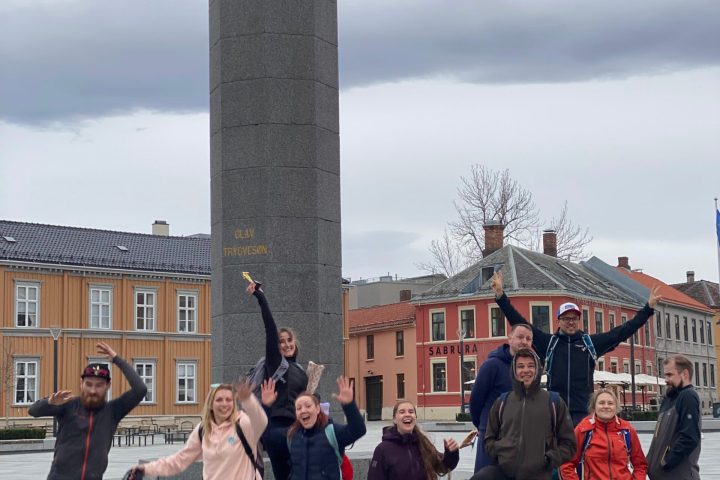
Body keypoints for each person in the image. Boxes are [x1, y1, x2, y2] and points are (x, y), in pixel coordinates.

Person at [491, 270, 661, 425]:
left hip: (583, 411)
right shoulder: (549, 343)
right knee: (558, 454)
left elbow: (622, 332)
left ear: (579, 321)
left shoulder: (590, 344)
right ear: (559, 321)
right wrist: (500, 296)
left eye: (574, 318)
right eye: (566, 318)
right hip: (555, 409)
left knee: (582, 453)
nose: (571, 322)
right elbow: (519, 322)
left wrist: (648, 309)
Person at [28, 342, 147, 480]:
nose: (93, 390)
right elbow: (33, 411)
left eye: (99, 385)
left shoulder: (113, 411)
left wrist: (116, 359)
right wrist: (48, 402)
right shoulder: (68, 404)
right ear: (81, 383)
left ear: (108, 385)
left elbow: (141, 389)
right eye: (88, 384)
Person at [471, 348, 576, 480]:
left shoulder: (554, 402)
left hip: (539, 474)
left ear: (538, 370)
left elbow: (569, 444)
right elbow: (489, 438)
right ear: (514, 371)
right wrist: (501, 453)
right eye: (520, 366)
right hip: (504, 472)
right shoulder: (502, 401)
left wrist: (548, 459)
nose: (525, 370)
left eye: (530, 366)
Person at [130, 381, 267, 480]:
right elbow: (179, 460)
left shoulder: (242, 424)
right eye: (219, 400)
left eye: (229, 400)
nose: (224, 404)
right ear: (211, 404)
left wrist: (248, 400)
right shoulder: (203, 430)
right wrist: (147, 468)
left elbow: (261, 422)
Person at [247, 281, 309, 480]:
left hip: (297, 427)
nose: (287, 344)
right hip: (277, 429)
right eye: (282, 341)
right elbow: (270, 328)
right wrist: (260, 297)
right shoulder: (276, 364)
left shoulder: (300, 370)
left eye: (290, 340)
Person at [469, 323, 533, 471]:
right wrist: (484, 425)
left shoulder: (529, 369)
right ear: (509, 338)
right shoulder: (492, 365)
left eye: (528, 339)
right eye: (520, 337)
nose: (524, 341)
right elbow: (476, 401)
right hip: (492, 436)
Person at [287, 376, 367, 479]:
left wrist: (349, 405)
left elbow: (358, 430)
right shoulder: (292, 436)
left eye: (308, 406)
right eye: (298, 408)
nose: (303, 410)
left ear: (317, 409)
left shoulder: (332, 432)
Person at [559, 389, 647, 480]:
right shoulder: (583, 430)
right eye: (601, 403)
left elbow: (640, 465)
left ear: (616, 407)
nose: (606, 406)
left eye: (610, 403)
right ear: (594, 407)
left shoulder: (627, 430)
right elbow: (566, 464)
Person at [367, 400, 460, 480]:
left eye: (411, 412)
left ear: (415, 417)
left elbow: (443, 467)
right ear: (395, 419)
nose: (407, 415)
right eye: (402, 412)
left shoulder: (423, 443)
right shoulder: (383, 449)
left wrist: (451, 453)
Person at [646, 355, 701, 480]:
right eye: (665, 375)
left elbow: (690, 437)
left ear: (685, 374)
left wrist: (666, 462)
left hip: (678, 475)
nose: (665, 379)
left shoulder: (688, 396)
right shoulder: (668, 399)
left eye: (669, 375)